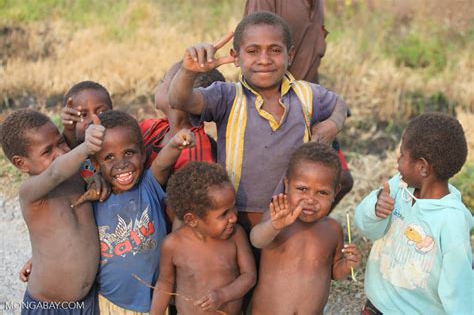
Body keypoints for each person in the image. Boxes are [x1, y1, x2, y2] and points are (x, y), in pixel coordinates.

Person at [168, 11, 348, 231]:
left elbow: (340, 104)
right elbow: (179, 99)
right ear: (236, 56)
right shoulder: (227, 96)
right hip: (238, 214)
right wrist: (188, 71)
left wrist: (333, 124)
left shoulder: (307, 94)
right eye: (253, 51)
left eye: (275, 50)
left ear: (290, 55)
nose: (264, 60)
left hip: (289, 215)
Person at [355, 112, 472, 314]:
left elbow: (458, 287)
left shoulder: (451, 220)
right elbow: (367, 229)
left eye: (402, 155)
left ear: (423, 168)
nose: (397, 161)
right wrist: (375, 209)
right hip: (375, 307)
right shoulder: (397, 187)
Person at [244, 0, 354, 210]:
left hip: (312, 109)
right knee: (280, 191)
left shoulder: (318, 3)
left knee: (341, 180)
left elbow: (311, 67)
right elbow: (254, 60)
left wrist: (331, 122)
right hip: (276, 114)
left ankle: (303, 232)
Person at [0, 109, 105, 314]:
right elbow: (56, 173)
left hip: (86, 302)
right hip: (48, 307)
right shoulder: (30, 192)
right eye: (48, 151)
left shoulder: (76, 176)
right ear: (21, 163)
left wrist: (93, 176)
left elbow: (80, 165)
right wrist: (86, 147)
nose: (61, 152)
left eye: (61, 142)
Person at [90, 110, 195, 314]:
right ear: (96, 164)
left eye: (129, 153)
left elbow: (163, 163)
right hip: (111, 303)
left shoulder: (149, 184)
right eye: (109, 157)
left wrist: (175, 143)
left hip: (155, 303)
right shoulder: (95, 198)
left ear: (143, 153)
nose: (121, 163)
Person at [249, 142, 361, 314]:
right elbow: (256, 240)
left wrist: (347, 265)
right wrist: (274, 226)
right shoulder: (278, 217)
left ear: (335, 192)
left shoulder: (332, 230)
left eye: (322, 192)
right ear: (287, 184)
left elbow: (335, 272)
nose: (310, 199)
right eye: (302, 189)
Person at [150, 162, 256, 315]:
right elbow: (165, 283)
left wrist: (223, 295)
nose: (233, 217)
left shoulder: (236, 235)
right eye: (224, 214)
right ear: (192, 219)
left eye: (234, 207)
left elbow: (249, 276)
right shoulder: (173, 244)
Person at [140, 62, 225, 170]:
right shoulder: (152, 127)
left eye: (162, 81)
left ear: (176, 94)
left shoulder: (196, 151)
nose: (158, 86)